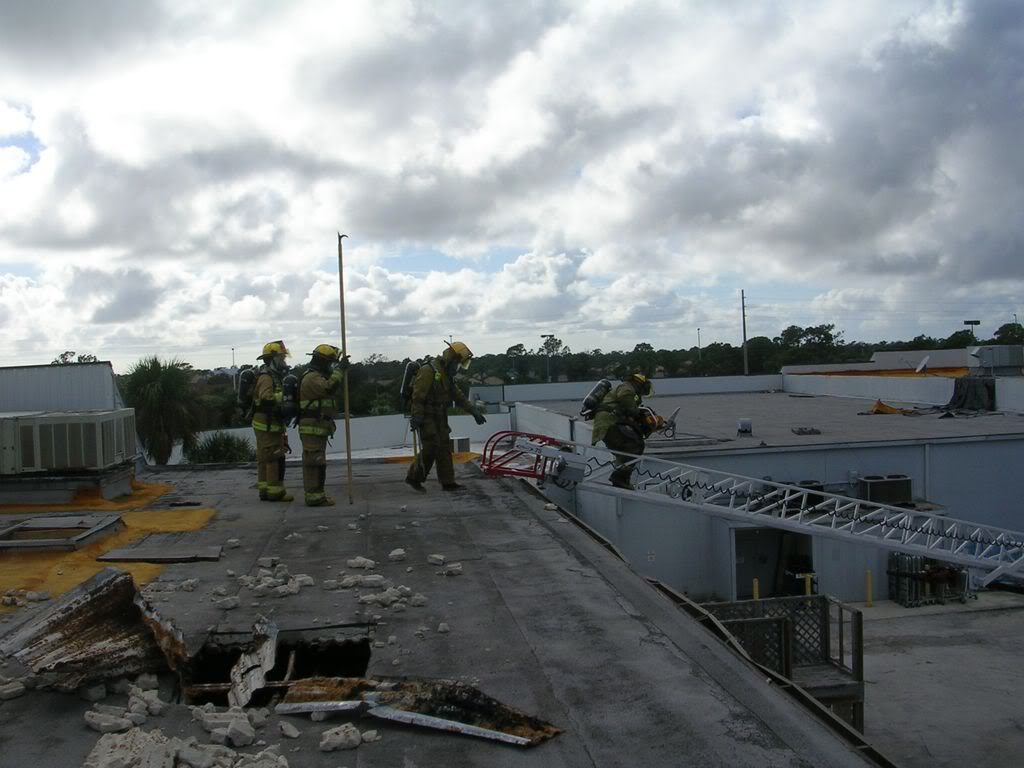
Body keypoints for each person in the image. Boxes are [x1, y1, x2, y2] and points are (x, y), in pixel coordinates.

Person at [405, 341, 487, 492]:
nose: (457, 368)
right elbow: (418, 396)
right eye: (457, 363)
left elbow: (458, 396)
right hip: (426, 415)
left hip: (440, 415)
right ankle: (414, 477)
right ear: (450, 359)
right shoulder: (428, 371)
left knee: (444, 447)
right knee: (431, 446)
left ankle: (448, 482)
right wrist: (417, 417)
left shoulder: (446, 376)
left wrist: (474, 411)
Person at [297, 344, 348, 506]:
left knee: (317, 462)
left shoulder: (316, 376)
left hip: (318, 427)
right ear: (323, 362)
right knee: (315, 462)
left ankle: (317, 495)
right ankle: (315, 497)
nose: (331, 366)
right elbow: (329, 388)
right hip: (312, 427)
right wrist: (340, 370)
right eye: (331, 363)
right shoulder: (312, 378)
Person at [591, 372, 659, 490]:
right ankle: (620, 478)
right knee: (635, 445)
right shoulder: (627, 388)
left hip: (608, 422)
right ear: (639, 383)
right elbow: (628, 403)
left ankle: (622, 478)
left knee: (626, 448)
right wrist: (638, 412)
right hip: (608, 423)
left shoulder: (628, 389)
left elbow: (627, 410)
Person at [252, 340, 293, 502]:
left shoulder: (272, 375)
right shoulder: (267, 377)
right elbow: (265, 397)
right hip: (267, 424)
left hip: (267, 423)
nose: (284, 360)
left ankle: (265, 490)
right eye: (281, 357)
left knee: (265, 457)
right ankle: (275, 492)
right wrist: (286, 396)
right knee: (274, 457)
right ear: (273, 359)